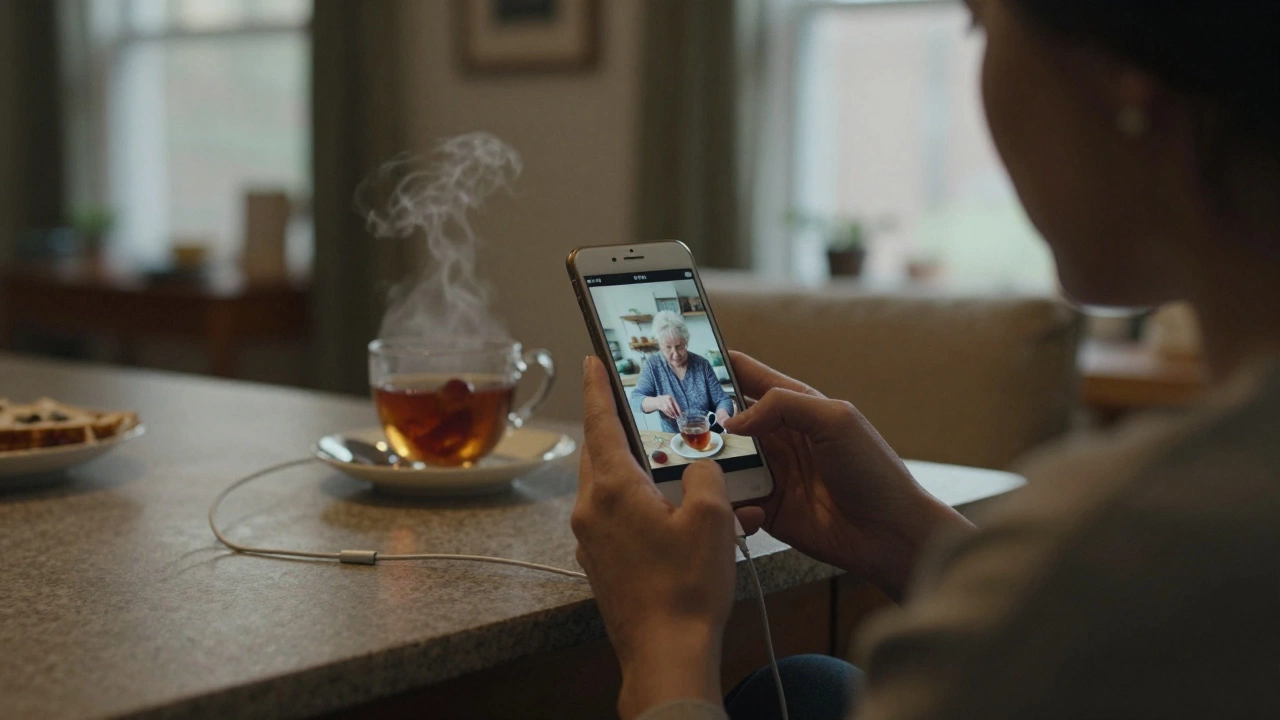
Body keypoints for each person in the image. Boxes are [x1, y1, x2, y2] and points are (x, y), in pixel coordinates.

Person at [571, 0, 1280, 718]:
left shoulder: (1110, 546)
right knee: (813, 688)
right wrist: (909, 536)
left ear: (1125, 80)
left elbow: (1077, 620)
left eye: (979, 24)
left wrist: (669, 638)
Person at [631, 311, 734, 433]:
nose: (675, 354)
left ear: (686, 341)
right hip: (673, 439)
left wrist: (722, 414)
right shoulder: (653, 366)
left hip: (703, 434)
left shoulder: (702, 365)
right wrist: (658, 402)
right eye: (668, 347)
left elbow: (722, 399)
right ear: (660, 345)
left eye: (679, 346)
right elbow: (635, 400)